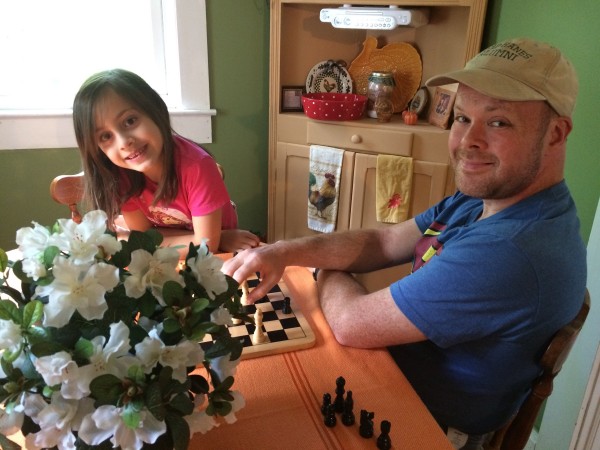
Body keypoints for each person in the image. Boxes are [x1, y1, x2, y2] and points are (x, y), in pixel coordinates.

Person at [223, 37, 587, 449]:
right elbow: (384, 241)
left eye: (498, 122)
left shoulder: (511, 250)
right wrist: (284, 251)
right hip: (394, 376)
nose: (468, 141)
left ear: (556, 134)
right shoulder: (487, 198)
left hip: (427, 425)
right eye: (462, 117)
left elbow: (351, 322)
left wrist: (322, 266)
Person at [72, 69, 260, 254]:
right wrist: (214, 238)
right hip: (189, 253)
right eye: (106, 136)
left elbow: (204, 248)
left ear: (155, 110)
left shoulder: (197, 166)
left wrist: (211, 240)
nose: (124, 142)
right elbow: (145, 237)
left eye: (130, 121)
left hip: (219, 256)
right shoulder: (120, 176)